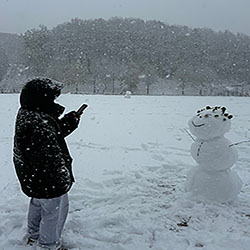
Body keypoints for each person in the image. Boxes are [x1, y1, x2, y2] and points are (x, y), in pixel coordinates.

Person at [13, 78, 83, 250]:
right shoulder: (38, 124)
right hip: (48, 180)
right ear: (42, 100)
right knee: (54, 213)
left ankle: (34, 235)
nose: (54, 102)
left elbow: (53, 133)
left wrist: (70, 120)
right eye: (52, 99)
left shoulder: (31, 114)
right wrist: (62, 179)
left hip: (34, 178)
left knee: (38, 203)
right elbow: (49, 158)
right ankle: (48, 245)